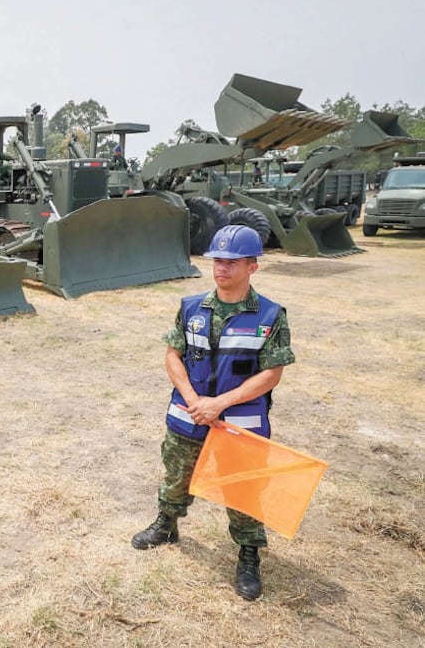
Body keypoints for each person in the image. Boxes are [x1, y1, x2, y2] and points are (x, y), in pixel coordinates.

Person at [131, 224, 295, 602]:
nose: (222, 268)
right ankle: (166, 525)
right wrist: (194, 400)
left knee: (243, 489)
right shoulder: (191, 307)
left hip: (239, 423)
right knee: (176, 476)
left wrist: (219, 404)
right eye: (217, 260)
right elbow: (173, 355)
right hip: (188, 415)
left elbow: (272, 373)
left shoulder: (270, 315)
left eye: (232, 262)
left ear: (253, 266)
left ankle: (249, 554)